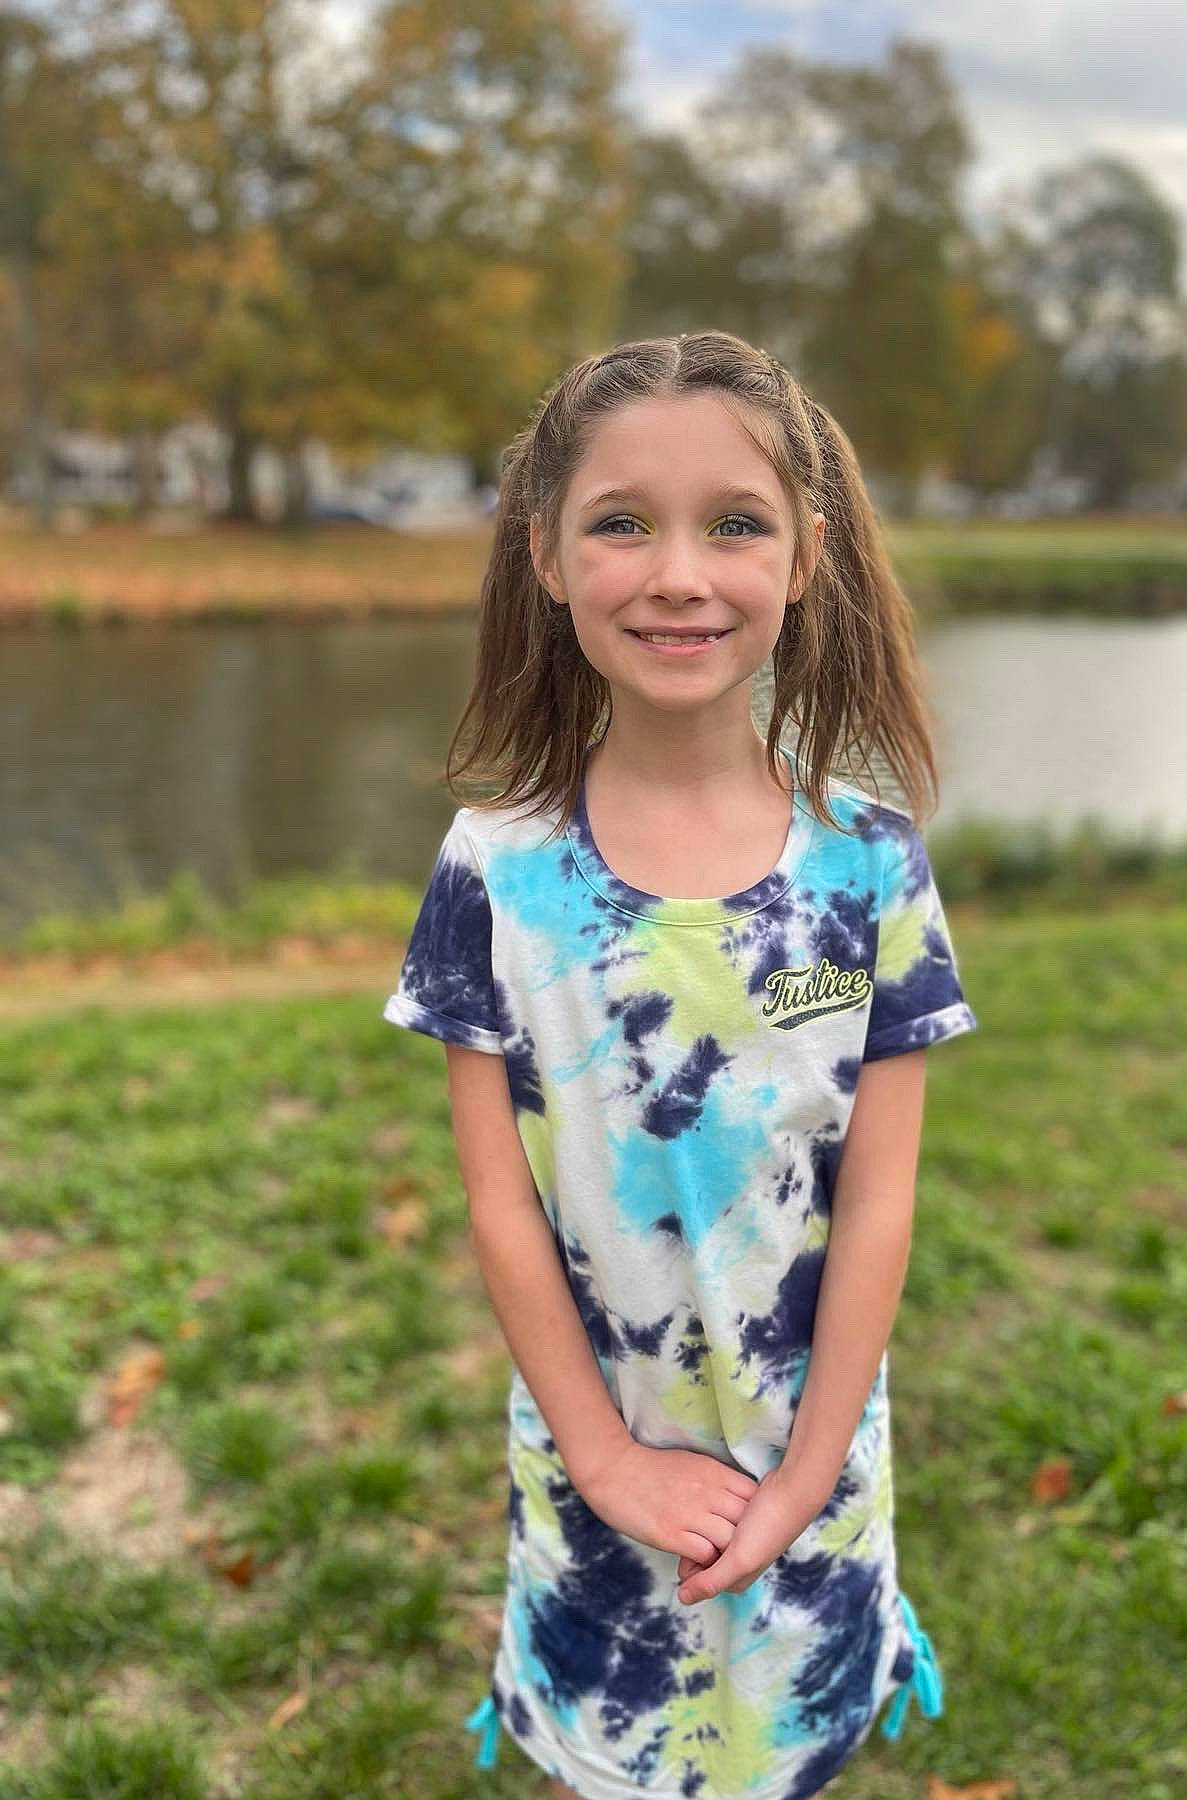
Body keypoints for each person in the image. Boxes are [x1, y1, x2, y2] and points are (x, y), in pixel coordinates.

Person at [381, 329, 979, 1800]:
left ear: (806, 553)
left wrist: (805, 1475)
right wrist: (603, 1460)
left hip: (814, 1462)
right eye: (621, 522)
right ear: (544, 553)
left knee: (781, 1759)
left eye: (734, 523)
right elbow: (500, 1204)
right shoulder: (494, 872)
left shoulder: (871, 866)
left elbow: (882, 1203)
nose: (678, 574)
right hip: (601, 1464)